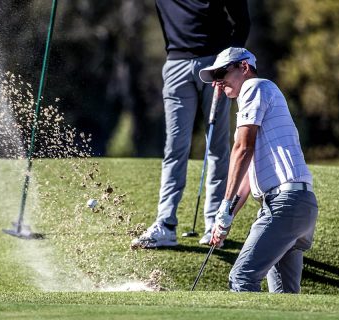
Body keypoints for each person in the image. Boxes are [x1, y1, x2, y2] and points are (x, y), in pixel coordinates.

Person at [131, 0, 251, 249]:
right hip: (176, 65)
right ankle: (165, 225)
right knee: (175, 148)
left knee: (217, 147)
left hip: (214, 64)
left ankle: (214, 225)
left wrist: (227, 65)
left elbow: (242, 20)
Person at [198, 47, 319, 293]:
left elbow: (242, 148)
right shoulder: (258, 99)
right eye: (214, 78)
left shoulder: (255, 87)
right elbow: (247, 176)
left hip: (285, 205)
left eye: (222, 73)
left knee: (241, 278)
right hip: (298, 205)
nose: (218, 82)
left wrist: (223, 204)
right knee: (283, 299)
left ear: (244, 67)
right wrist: (227, 217)